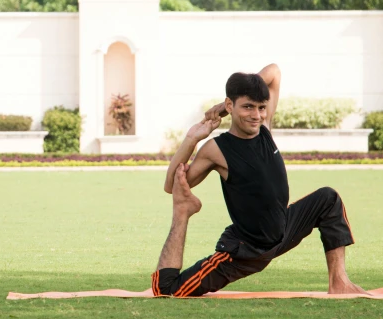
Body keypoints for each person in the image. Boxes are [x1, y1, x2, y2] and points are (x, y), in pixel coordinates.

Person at [150, 63, 367, 297]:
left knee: (328, 199)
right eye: (247, 107)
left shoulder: (264, 127)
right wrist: (192, 139)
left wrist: (223, 107)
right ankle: (183, 211)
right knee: (168, 289)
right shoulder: (217, 149)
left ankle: (339, 282)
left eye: (261, 107)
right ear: (231, 105)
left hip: (282, 230)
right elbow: (171, 184)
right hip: (246, 250)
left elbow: (274, 72)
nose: (256, 115)